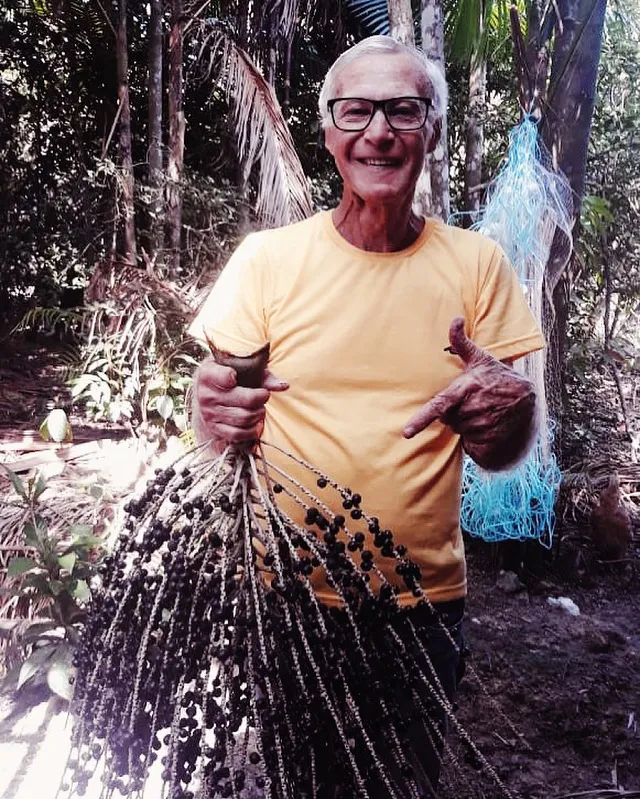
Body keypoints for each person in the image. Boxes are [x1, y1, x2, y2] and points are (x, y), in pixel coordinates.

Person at [189, 34, 544, 797]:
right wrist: (212, 407)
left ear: (432, 130)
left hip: (421, 607)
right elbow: (217, 398)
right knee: (298, 782)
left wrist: (511, 416)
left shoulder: (477, 265)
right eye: (357, 110)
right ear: (328, 132)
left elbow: (504, 440)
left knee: (402, 784)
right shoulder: (267, 261)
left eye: (402, 110)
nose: (378, 131)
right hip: (288, 600)